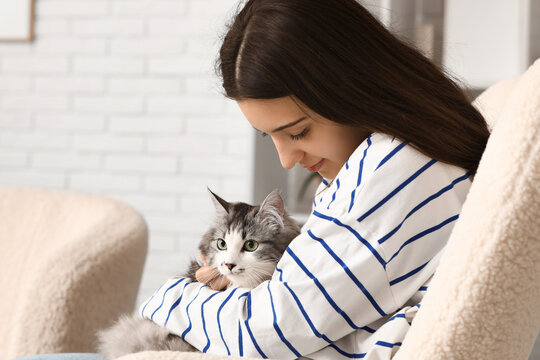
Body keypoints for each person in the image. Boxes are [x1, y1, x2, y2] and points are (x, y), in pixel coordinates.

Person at [15, 0, 489, 359]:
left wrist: (173, 297)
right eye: (270, 138)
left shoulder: (396, 169)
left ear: (352, 88)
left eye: (298, 132)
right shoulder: (395, 161)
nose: (286, 160)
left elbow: (267, 332)